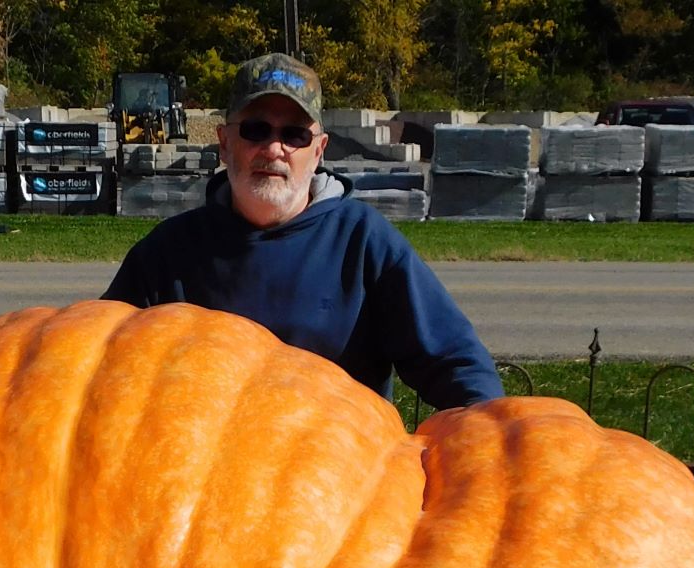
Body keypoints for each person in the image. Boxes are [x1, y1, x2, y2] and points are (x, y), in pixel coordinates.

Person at [102, 53, 504, 410]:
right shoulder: (168, 253)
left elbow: (456, 364)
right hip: (198, 483)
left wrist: (487, 444)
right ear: (224, 143)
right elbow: (95, 360)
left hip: (341, 481)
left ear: (319, 150)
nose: (275, 149)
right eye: (256, 130)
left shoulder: (363, 243)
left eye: (295, 135)